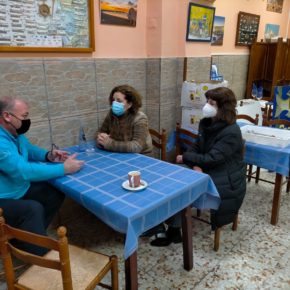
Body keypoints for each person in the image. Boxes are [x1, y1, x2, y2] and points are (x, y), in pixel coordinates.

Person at [151, 87, 246, 247]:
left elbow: (213, 158)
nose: (206, 106)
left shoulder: (231, 132)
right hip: (206, 167)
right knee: (173, 176)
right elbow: (196, 147)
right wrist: (195, 164)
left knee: (180, 183)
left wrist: (187, 158)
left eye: (212, 103)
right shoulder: (207, 123)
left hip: (225, 176)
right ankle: (171, 227)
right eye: (207, 101)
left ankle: (173, 229)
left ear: (223, 108)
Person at [0, 96, 84, 256]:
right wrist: (63, 169)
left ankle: (26, 238)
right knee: (32, 209)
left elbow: (29, 149)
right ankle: (43, 259)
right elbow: (23, 171)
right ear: (7, 116)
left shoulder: (13, 132)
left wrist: (49, 156)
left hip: (18, 188)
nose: (27, 120)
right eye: (24, 116)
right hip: (3, 196)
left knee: (54, 191)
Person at [96, 84, 152, 154]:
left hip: (141, 155)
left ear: (130, 104)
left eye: (119, 101)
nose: (114, 103)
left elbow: (137, 147)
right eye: (113, 100)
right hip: (120, 152)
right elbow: (101, 131)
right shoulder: (111, 113)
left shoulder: (140, 118)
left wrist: (109, 144)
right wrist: (100, 139)